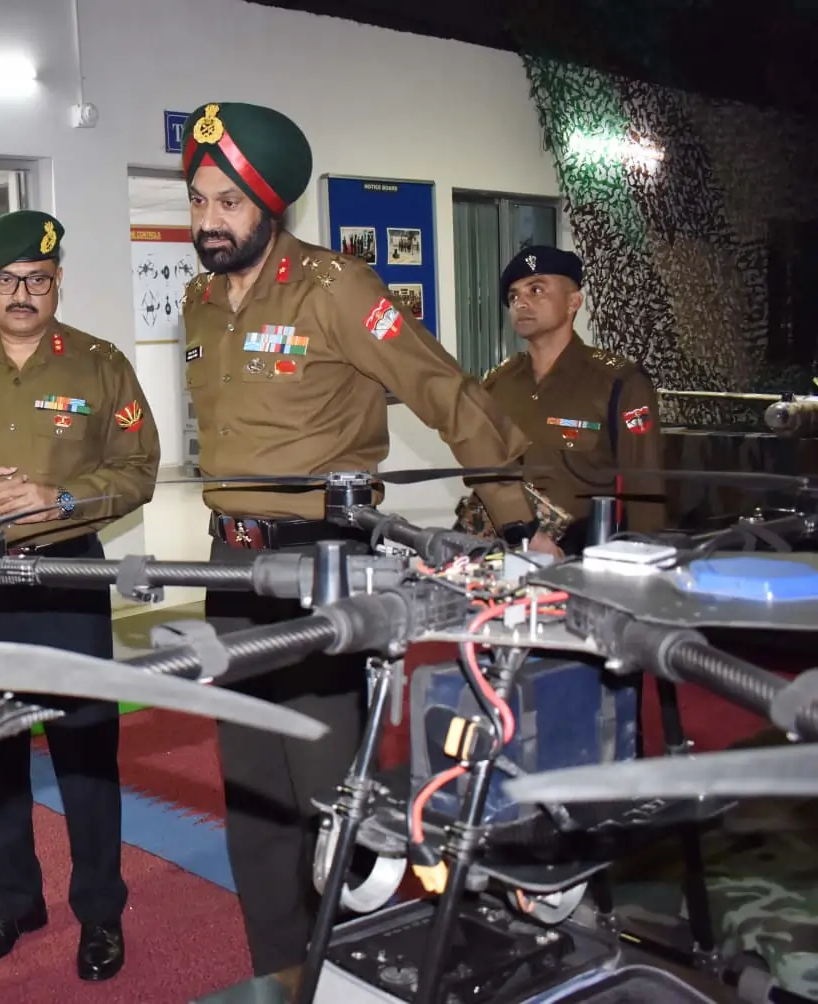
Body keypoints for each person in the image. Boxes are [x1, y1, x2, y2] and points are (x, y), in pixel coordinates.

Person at [177, 101, 557, 986]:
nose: (208, 222)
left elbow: (443, 390)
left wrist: (516, 519)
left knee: (326, 787)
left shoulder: (335, 287)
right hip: (229, 565)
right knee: (251, 784)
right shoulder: (201, 301)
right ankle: (282, 973)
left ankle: (353, 969)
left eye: (228, 203)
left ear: (270, 205)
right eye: (198, 201)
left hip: (323, 559)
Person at [0, 209, 161, 982]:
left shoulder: (99, 365)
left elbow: (138, 468)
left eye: (37, 280)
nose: (22, 293)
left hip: (66, 578)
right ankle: (15, 903)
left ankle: (101, 911)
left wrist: (65, 499)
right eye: (7, 280)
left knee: (86, 751)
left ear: (57, 283)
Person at [455, 246, 667, 553]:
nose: (521, 302)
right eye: (513, 296)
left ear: (573, 302)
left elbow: (644, 486)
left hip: (583, 554)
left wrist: (643, 562)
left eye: (536, 289)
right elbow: (481, 469)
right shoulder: (497, 384)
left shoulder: (618, 383)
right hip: (504, 549)